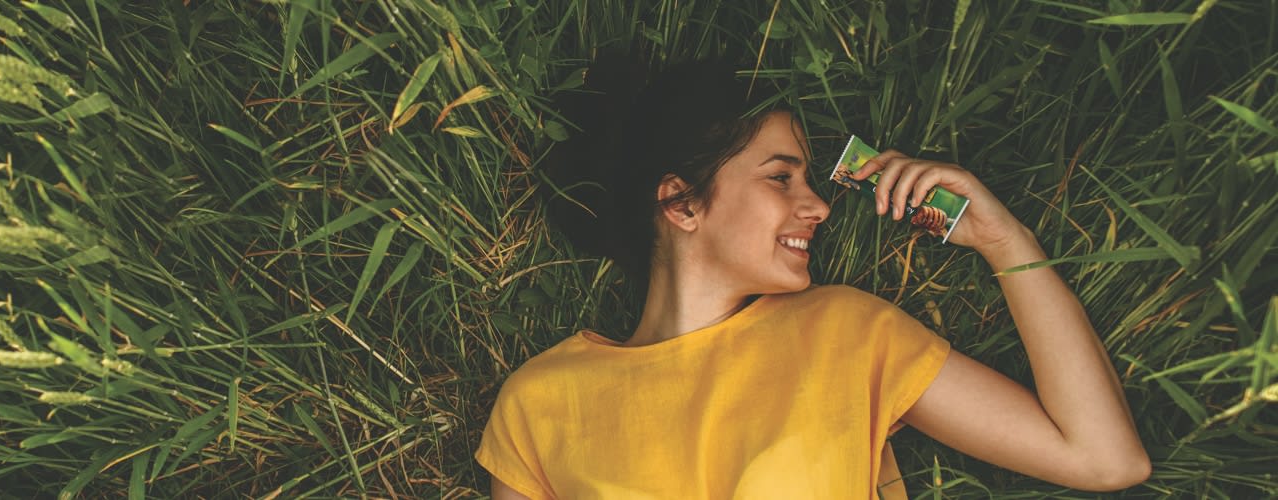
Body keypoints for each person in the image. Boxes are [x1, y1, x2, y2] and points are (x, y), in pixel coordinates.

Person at [474, 56, 1151, 499]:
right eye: (780, 177)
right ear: (681, 202)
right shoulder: (540, 403)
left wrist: (1007, 243)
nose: (818, 206)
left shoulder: (845, 331)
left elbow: (1104, 459)